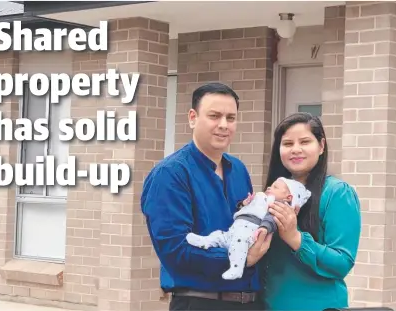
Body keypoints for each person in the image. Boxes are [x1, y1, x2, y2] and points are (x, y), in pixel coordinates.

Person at [141, 82, 271, 311]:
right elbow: (175, 250)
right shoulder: (171, 174)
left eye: (231, 118)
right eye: (214, 116)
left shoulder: (238, 170)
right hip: (201, 302)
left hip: (250, 302)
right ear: (193, 117)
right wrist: (241, 258)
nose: (224, 125)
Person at [258, 112, 362, 311]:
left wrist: (295, 237)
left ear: (321, 146)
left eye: (305, 142)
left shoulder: (337, 193)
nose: (296, 149)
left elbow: (342, 263)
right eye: (287, 144)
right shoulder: (275, 193)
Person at [185, 177, 311, 280]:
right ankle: (205, 242)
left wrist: (264, 228)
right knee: (219, 235)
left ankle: (236, 267)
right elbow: (242, 208)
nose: (269, 187)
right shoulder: (261, 198)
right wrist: (244, 203)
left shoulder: (277, 206)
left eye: (275, 187)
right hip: (235, 228)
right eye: (271, 185)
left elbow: (271, 220)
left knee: (239, 244)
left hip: (250, 233)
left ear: (288, 197)